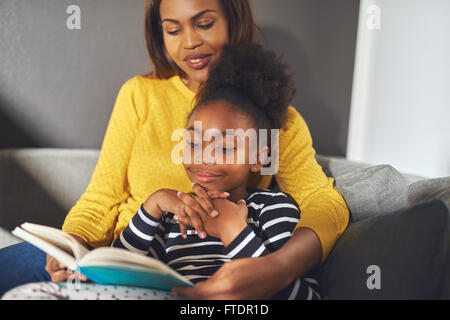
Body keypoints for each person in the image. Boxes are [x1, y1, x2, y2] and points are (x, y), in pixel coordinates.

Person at [0, 0, 349, 299]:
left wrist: (278, 268)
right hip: (125, 258)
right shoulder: (140, 95)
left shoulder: (273, 118)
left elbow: (323, 203)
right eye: (173, 29)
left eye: (205, 24)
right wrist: (71, 246)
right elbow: (99, 199)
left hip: (220, 268)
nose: (190, 43)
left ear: (233, 20)